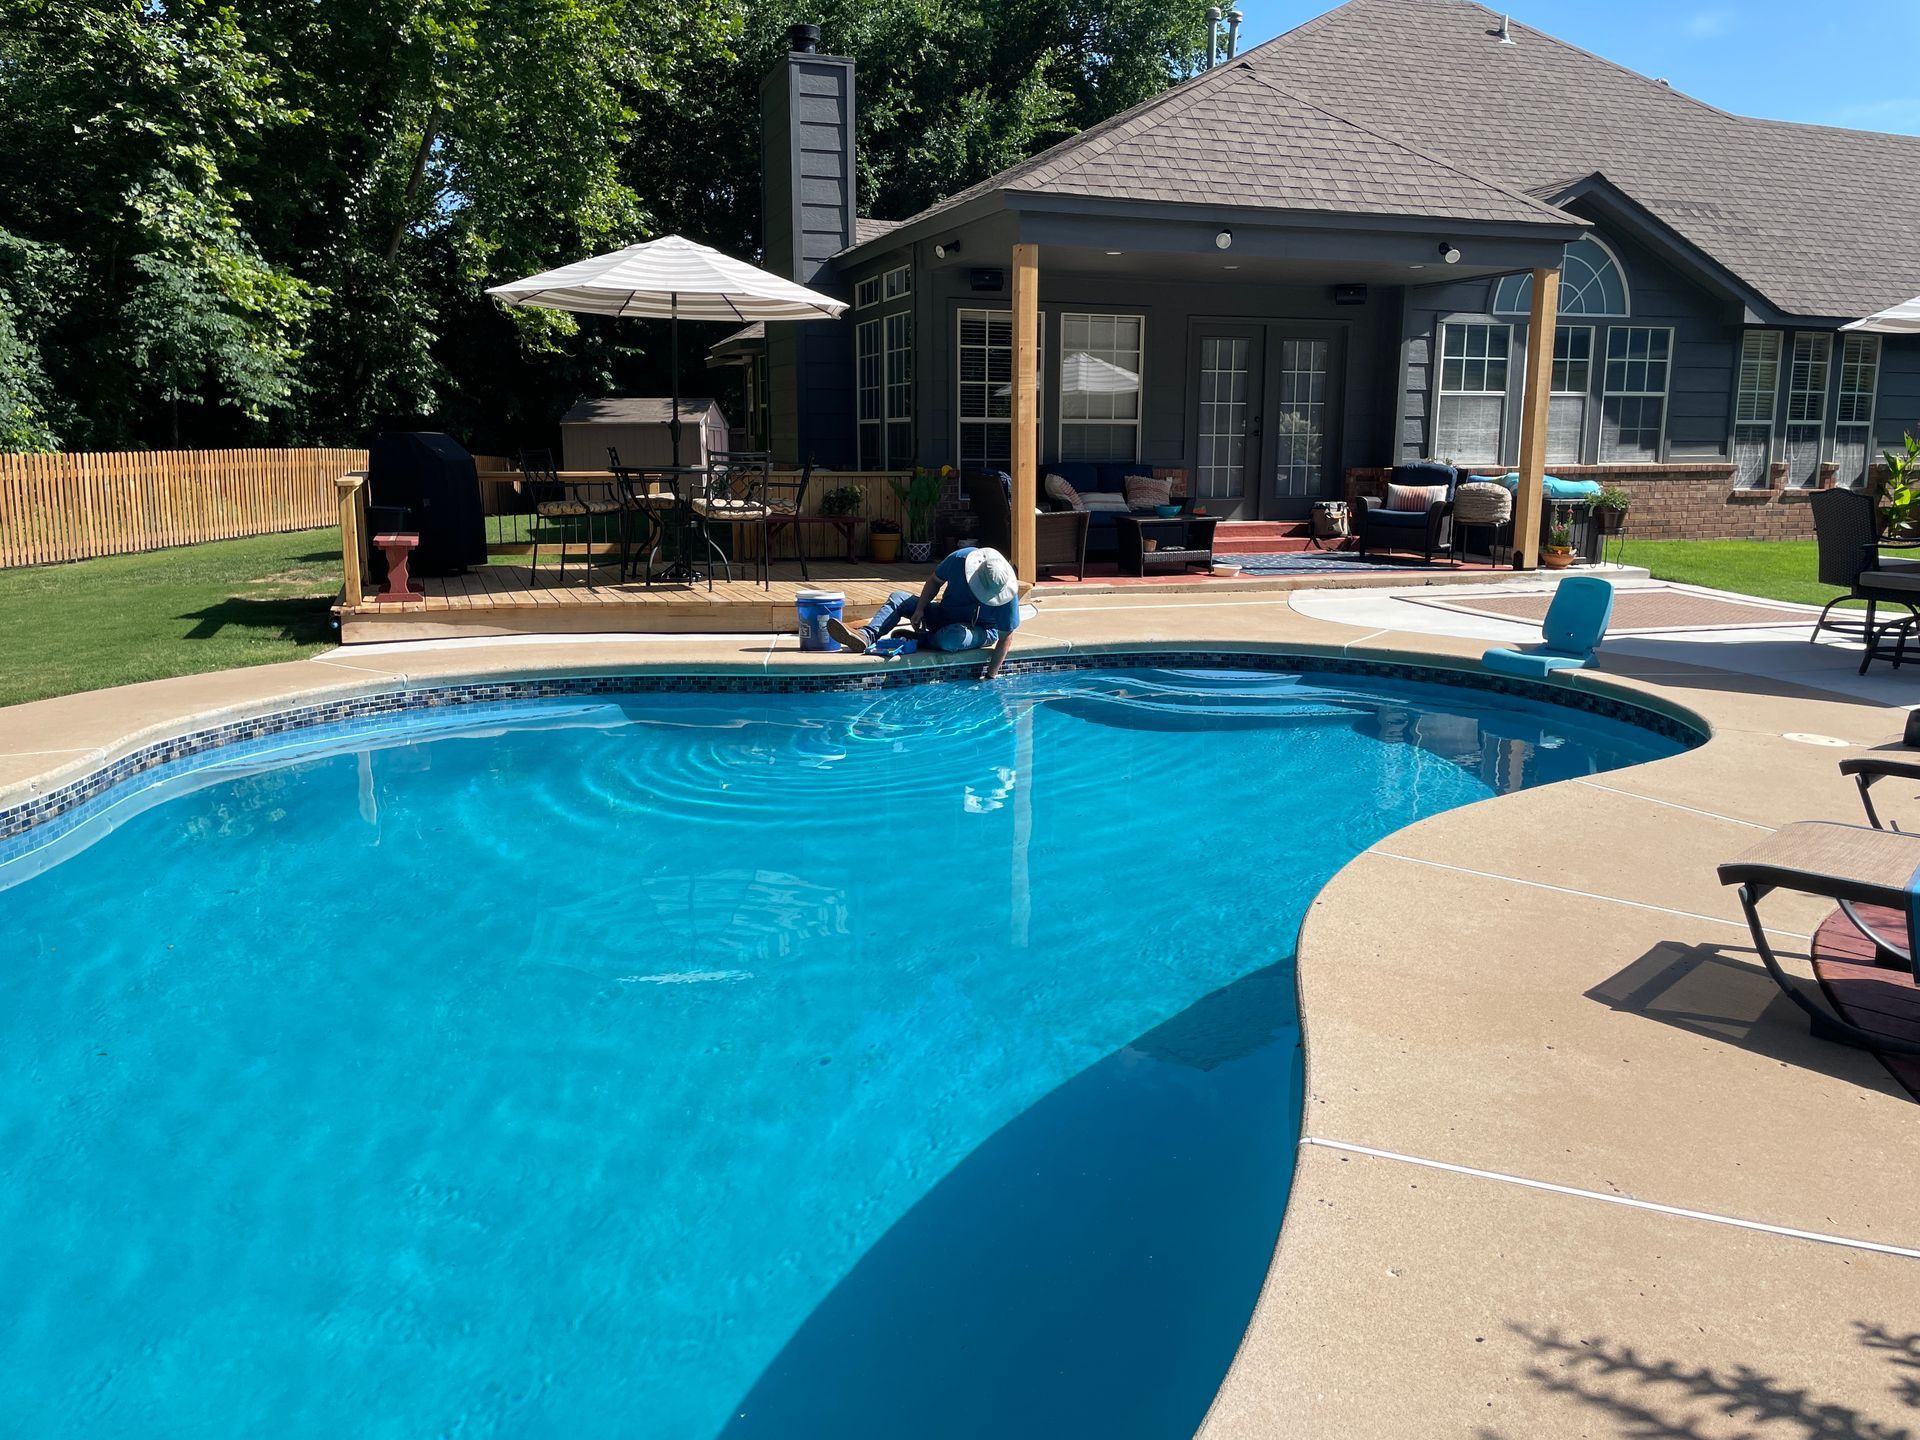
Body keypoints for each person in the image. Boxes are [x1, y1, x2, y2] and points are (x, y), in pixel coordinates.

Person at [828, 545, 1021, 677]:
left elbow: (1006, 638)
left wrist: (990, 676)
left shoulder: (1007, 595)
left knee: (953, 638)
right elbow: (934, 581)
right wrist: (920, 608)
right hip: (943, 614)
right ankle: (866, 635)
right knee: (899, 597)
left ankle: (920, 639)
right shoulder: (961, 559)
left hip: (977, 630)